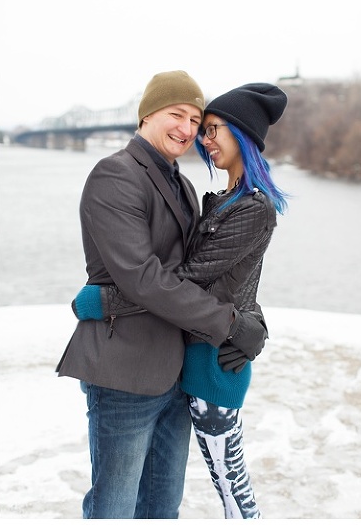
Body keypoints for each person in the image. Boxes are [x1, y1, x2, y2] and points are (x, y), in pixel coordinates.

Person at [55, 70, 269, 519]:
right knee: (114, 507)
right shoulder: (115, 174)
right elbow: (145, 277)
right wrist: (229, 324)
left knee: (161, 508)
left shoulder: (186, 186)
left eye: (197, 120)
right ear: (147, 113)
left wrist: (254, 321)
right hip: (125, 373)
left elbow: (211, 274)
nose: (188, 130)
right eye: (178, 114)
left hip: (176, 373)